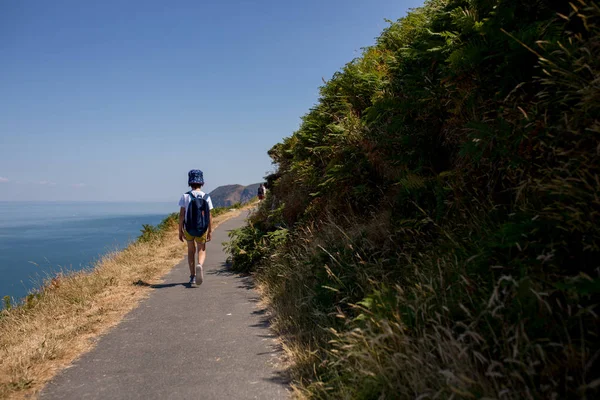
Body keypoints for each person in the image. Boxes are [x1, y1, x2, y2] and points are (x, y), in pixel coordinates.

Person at [178, 169, 213, 287]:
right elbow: (210, 216)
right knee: (201, 249)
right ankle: (200, 265)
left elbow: (182, 215)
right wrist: (210, 231)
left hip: (188, 228)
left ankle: (192, 276)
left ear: (190, 182)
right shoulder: (206, 197)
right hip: (201, 228)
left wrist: (180, 231)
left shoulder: (185, 196)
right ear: (202, 182)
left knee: (190, 250)